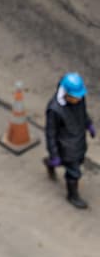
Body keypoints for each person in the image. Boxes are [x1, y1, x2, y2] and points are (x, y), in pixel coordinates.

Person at [44, 72, 94, 210]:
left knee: (75, 161)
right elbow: (50, 133)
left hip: (78, 142)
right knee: (74, 172)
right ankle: (72, 195)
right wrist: (54, 153)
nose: (78, 99)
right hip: (66, 147)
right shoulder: (54, 110)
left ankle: (50, 163)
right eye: (75, 97)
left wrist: (88, 124)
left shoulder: (79, 99)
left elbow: (82, 113)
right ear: (66, 94)